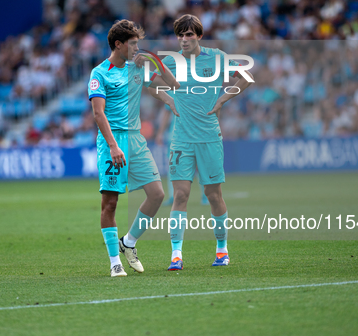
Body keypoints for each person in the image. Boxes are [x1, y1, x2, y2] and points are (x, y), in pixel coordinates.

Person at [161, 14, 253, 271]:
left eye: (189, 34)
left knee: (213, 195)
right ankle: (176, 254)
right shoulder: (171, 62)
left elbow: (244, 77)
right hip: (181, 138)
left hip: (210, 137)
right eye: (180, 34)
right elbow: (148, 81)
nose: (184, 39)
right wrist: (169, 100)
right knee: (180, 194)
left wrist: (223, 99)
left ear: (199, 36)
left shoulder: (216, 57)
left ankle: (222, 250)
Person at [88, 20, 180, 277]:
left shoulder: (137, 67)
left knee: (157, 194)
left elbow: (172, 85)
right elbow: (98, 113)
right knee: (110, 204)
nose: (137, 48)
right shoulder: (100, 73)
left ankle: (128, 242)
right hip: (112, 142)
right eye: (133, 44)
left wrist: (153, 60)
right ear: (118, 45)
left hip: (136, 140)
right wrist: (113, 146)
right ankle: (114, 261)